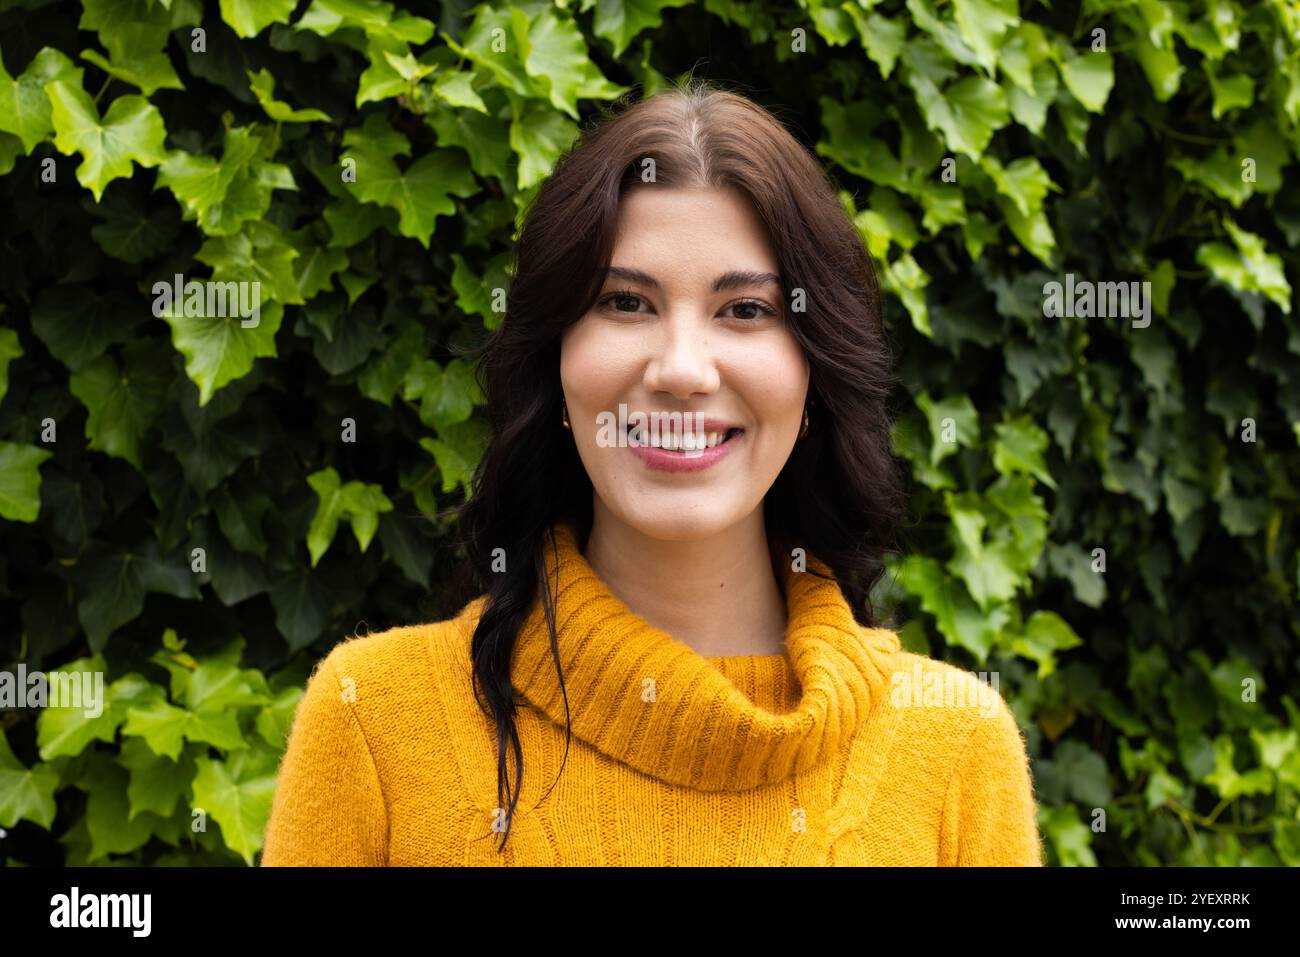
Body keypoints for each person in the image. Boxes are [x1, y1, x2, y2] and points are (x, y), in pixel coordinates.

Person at [261, 78, 1044, 866]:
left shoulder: (957, 750)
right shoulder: (373, 722)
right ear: (555, 363)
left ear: (814, 376)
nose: (681, 369)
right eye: (626, 303)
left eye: (745, 311)